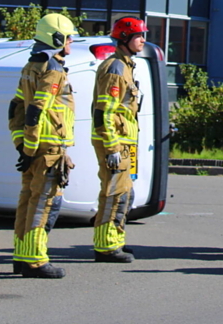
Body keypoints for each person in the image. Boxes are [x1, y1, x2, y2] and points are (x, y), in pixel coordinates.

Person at [9, 13, 78, 278]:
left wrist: (21, 144)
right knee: (46, 204)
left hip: (34, 147)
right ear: (57, 38)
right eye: (69, 37)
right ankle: (35, 260)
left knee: (28, 200)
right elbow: (37, 109)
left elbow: (15, 107)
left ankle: (21, 256)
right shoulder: (54, 68)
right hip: (49, 149)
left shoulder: (30, 65)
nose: (71, 42)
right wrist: (28, 149)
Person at [91, 17, 147, 263]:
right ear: (124, 39)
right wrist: (112, 148)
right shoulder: (115, 68)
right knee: (114, 193)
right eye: (138, 36)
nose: (143, 40)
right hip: (115, 143)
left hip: (125, 142)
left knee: (124, 192)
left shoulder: (125, 65)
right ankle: (106, 246)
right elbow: (105, 112)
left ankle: (115, 240)